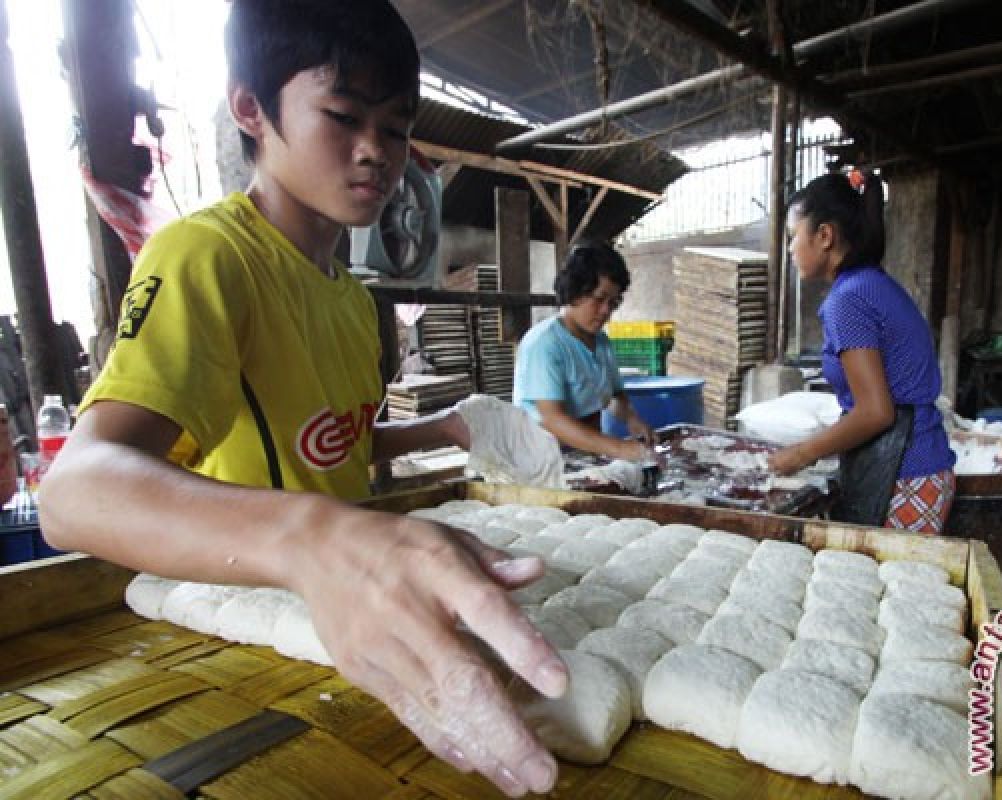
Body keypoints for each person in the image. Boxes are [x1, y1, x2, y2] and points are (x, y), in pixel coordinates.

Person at [39, 2, 565, 796]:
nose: (375, 154)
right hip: (248, 643)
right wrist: (318, 541)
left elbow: (330, 442)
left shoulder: (351, 300)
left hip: (351, 622)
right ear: (251, 106)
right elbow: (76, 492)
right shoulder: (208, 259)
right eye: (343, 117)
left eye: (394, 127)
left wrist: (444, 427)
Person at [767, 172, 957, 534]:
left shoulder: (849, 300)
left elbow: (876, 412)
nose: (790, 250)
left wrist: (801, 454)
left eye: (793, 237)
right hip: (915, 466)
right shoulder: (872, 284)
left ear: (824, 236)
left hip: (904, 473)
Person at [513, 241, 658, 463]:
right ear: (575, 292)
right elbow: (552, 418)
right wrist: (619, 448)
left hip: (583, 454)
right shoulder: (544, 344)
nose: (605, 311)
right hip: (541, 458)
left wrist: (631, 419)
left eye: (613, 302)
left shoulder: (602, 342)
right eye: (599, 299)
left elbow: (614, 396)